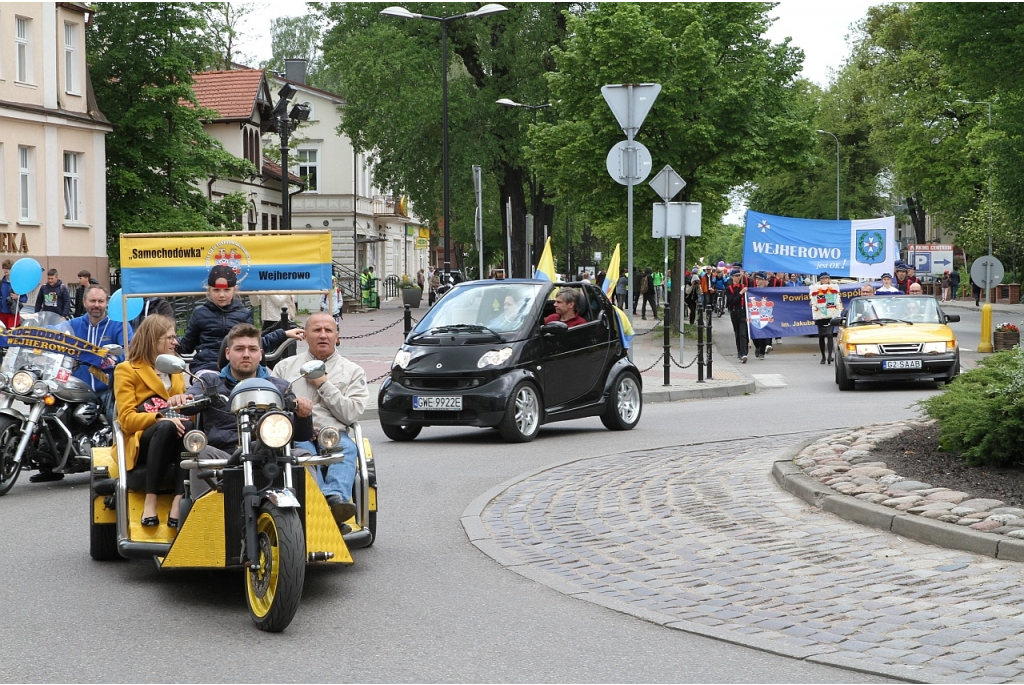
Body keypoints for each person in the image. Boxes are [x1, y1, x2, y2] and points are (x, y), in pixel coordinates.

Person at [169, 323, 314, 507]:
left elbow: (301, 435)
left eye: (252, 349)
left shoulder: (280, 386)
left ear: (260, 354)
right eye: (240, 349)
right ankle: (204, 518)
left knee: (305, 456)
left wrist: (303, 414)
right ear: (228, 353)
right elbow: (192, 399)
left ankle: (312, 518)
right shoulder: (209, 381)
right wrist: (184, 399)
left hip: (271, 454)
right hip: (224, 456)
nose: (246, 354)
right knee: (201, 454)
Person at [272, 313, 368, 534]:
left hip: (333, 433)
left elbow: (351, 414)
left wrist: (323, 383)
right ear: (305, 336)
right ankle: (324, 505)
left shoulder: (353, 372)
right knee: (302, 452)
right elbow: (275, 409)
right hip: (297, 432)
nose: (323, 335)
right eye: (317, 330)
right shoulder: (285, 368)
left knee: (347, 448)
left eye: (328, 330)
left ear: (338, 336)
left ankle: (336, 499)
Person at [112, 314, 187, 527]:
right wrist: (161, 416)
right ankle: (150, 499)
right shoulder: (127, 369)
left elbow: (183, 413)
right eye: (170, 338)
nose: (176, 342)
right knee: (165, 426)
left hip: (176, 434)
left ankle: (178, 500)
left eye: (175, 337)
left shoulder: (177, 371)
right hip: (143, 438)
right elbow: (126, 419)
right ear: (153, 340)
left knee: (188, 427)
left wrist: (185, 402)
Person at [176, 265, 303, 374]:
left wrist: (284, 334)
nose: (221, 294)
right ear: (209, 290)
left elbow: (256, 343)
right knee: (210, 384)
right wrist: (169, 339)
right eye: (216, 290)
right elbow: (186, 346)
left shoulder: (244, 314)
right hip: (207, 367)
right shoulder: (199, 313)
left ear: (234, 290)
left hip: (239, 367)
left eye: (226, 290)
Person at [67, 285, 132, 424]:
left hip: (107, 391)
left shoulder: (119, 325)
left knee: (114, 421)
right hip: (76, 391)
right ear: (84, 302)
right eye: (92, 301)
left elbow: (129, 352)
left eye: (101, 301)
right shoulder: (72, 325)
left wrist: (112, 358)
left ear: (107, 302)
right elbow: (53, 337)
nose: (97, 305)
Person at [809, 272, 841, 364]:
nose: (824, 280)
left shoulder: (833, 288)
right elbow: (813, 300)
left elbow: (837, 299)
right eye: (823, 278)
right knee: (821, 336)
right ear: (820, 280)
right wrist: (812, 303)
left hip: (831, 314)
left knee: (830, 335)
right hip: (821, 314)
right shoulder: (815, 288)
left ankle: (830, 356)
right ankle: (823, 356)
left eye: (826, 278)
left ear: (829, 279)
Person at [725, 270, 749, 363]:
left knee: (743, 332)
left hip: (743, 312)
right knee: (737, 332)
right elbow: (731, 302)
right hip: (734, 312)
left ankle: (744, 353)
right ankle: (740, 352)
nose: (738, 277)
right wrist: (740, 293)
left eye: (739, 275)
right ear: (732, 277)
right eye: (736, 276)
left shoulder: (744, 287)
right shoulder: (729, 289)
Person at [750, 272, 773, 359]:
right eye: (757, 279)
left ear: (764, 280)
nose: (757, 281)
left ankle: (762, 352)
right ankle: (757, 347)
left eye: (759, 279)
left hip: (764, 313)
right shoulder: (752, 290)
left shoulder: (768, 290)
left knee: (763, 333)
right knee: (754, 333)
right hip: (755, 313)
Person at [0, 259, 26, 328]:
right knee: (2, 335)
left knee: (11, 334)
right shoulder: (1, 283)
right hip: (2, 313)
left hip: (13, 314)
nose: (6, 270)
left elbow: (25, 298)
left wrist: (17, 297)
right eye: (5, 268)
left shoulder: (17, 283)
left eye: (8, 268)